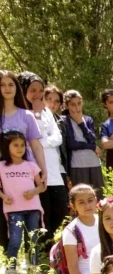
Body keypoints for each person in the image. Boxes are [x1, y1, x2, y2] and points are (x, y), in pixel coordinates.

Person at [18, 72, 68, 251]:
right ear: (23, 91)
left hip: (54, 169)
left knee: (61, 207)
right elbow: (28, 141)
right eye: (32, 90)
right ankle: (39, 248)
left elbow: (58, 137)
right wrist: (37, 118)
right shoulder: (21, 113)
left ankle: (46, 241)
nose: (37, 95)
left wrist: (41, 142)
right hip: (34, 169)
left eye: (40, 90)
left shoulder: (46, 111)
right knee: (42, 210)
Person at [0, 70, 48, 250]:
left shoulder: (26, 115)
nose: (7, 88)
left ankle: (32, 259)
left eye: (11, 84)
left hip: (24, 173)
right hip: (2, 174)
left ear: (16, 87)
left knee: (30, 217)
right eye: (2, 85)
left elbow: (36, 145)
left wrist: (43, 169)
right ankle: (8, 259)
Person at [0, 130, 45, 274]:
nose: (20, 148)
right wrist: (3, 196)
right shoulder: (1, 166)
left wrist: (33, 192)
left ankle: (33, 267)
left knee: (32, 239)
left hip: (33, 208)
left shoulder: (31, 165)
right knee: (15, 239)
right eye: (15, 145)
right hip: (14, 209)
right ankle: (11, 268)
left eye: (22, 145)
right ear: (7, 147)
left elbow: (42, 186)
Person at [62, 90, 104, 195]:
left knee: (98, 194)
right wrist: (93, 147)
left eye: (79, 103)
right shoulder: (64, 120)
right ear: (67, 106)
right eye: (73, 104)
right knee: (82, 195)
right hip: (77, 164)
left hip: (94, 162)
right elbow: (71, 144)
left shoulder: (88, 120)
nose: (77, 107)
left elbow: (92, 138)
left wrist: (81, 122)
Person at [62, 184, 100, 274]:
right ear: (73, 206)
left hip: (110, 271)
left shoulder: (104, 220)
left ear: (96, 200)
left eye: (90, 200)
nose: (87, 205)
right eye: (81, 202)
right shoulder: (71, 231)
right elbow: (73, 267)